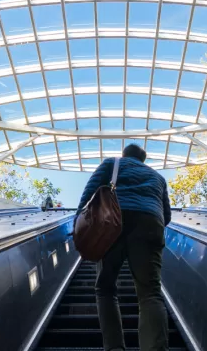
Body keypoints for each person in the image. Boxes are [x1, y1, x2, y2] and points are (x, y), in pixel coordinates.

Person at [76, 144, 172, 351]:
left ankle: (115, 347)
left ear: (125, 154)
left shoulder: (112, 163)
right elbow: (167, 214)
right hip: (150, 223)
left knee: (105, 288)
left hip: (111, 224)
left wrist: (78, 224)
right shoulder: (158, 177)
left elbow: (89, 193)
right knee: (151, 293)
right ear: (143, 159)